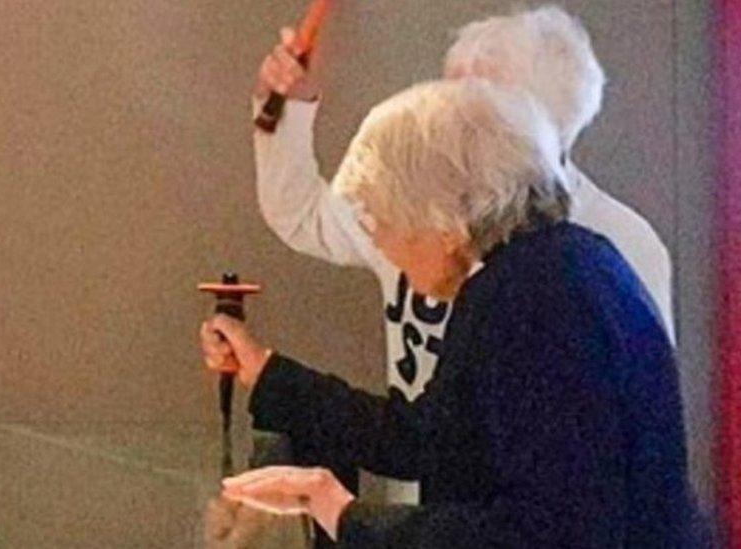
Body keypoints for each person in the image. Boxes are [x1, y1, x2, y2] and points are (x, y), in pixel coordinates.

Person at [205, 78, 695, 546]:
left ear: (441, 216)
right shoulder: (554, 269)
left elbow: (548, 532)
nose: (382, 245)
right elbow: (427, 437)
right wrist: (267, 372)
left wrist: (350, 517)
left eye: (380, 219)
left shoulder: (535, 299)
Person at [253, 6, 675, 504]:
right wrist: (289, 107)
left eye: (467, 110)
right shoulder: (423, 212)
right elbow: (304, 215)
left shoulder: (604, 250)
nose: (437, 122)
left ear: (526, 129)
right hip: (425, 502)